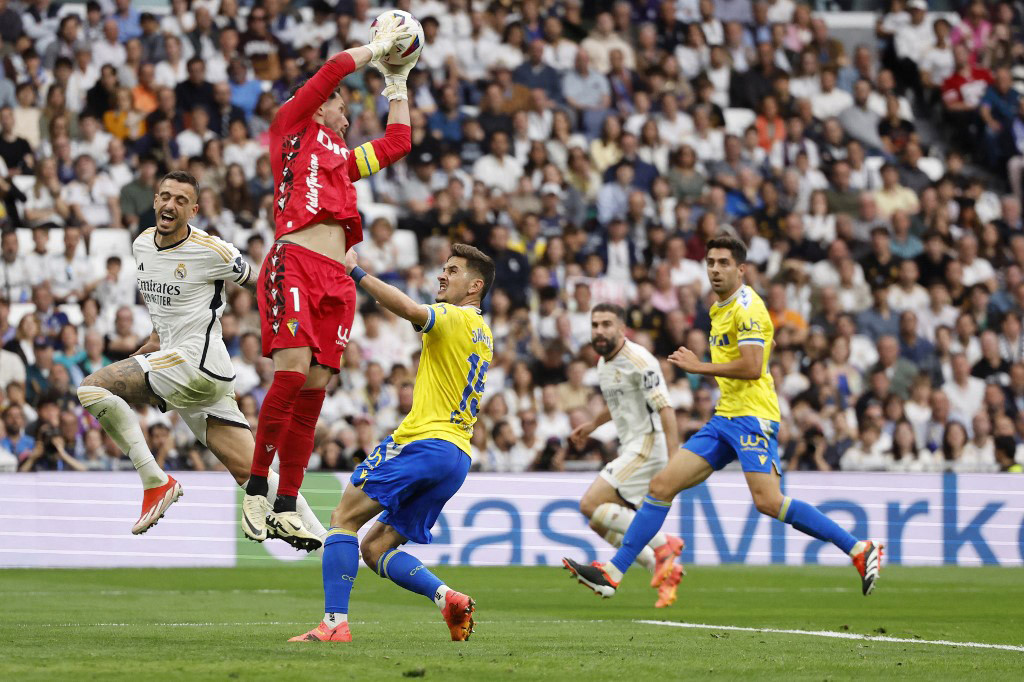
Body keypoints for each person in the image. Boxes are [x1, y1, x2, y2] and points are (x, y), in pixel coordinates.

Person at [563, 235, 883, 598]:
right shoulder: (721, 307)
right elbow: (762, 349)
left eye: (723, 263)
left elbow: (751, 366)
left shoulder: (746, 307)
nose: (715, 269)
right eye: (710, 262)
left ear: (741, 269)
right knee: (662, 486)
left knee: (768, 501)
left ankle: (859, 548)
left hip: (753, 417)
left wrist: (699, 366)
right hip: (725, 416)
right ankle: (614, 572)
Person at [240, 18, 416, 547]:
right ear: (319, 106)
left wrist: (399, 81)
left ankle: (289, 503)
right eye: (341, 104)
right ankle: (255, 490)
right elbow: (336, 66)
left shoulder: (342, 160)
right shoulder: (290, 125)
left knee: (315, 391)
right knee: (291, 377)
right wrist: (379, 49)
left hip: (336, 282)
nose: (346, 110)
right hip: (294, 260)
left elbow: (399, 140)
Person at [77, 171, 324, 544]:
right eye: (165, 196)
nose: (169, 205)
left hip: (198, 365)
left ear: (193, 209)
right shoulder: (142, 245)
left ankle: (155, 482)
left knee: (92, 389)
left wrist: (299, 327)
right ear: (155, 200)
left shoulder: (213, 251)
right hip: (188, 372)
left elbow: (265, 286)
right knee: (251, 474)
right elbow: (165, 313)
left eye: (180, 200)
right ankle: (331, 544)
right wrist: (154, 339)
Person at [289, 243, 495, 643]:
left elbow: (411, 311)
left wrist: (356, 272)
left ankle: (333, 624)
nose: (442, 275)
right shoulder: (484, 333)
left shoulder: (452, 317)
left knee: (343, 519)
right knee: (376, 547)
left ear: (474, 286)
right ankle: (447, 598)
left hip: (423, 442)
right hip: (457, 456)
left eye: (452, 271)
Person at [569, 303, 684, 608]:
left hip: (648, 445)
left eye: (607, 324)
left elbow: (666, 408)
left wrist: (675, 460)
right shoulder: (604, 364)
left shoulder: (639, 360)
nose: (599, 331)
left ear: (622, 328)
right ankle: (663, 567)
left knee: (590, 504)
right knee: (599, 521)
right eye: (595, 325)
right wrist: (592, 425)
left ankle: (664, 547)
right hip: (631, 447)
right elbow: (616, 403)